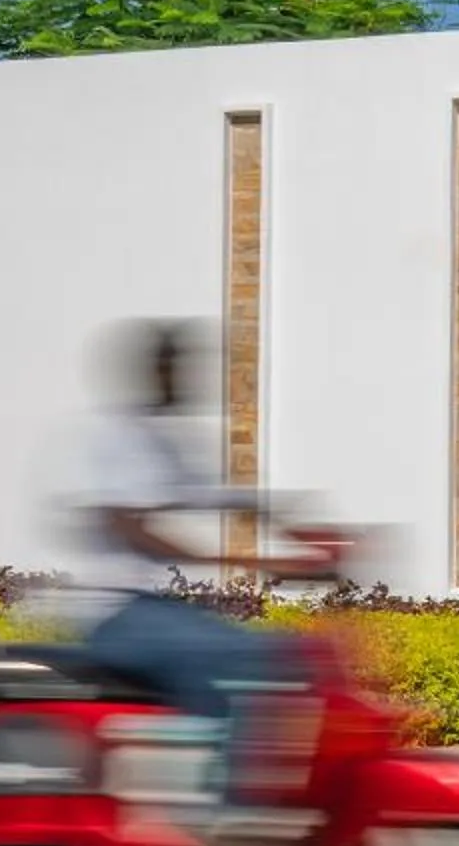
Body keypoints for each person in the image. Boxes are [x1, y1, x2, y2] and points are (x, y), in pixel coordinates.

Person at [44, 319, 321, 810]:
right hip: (116, 612)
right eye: (177, 368)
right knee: (244, 660)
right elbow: (137, 529)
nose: (188, 380)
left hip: (152, 608)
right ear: (154, 372)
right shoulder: (118, 438)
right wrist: (251, 558)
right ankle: (224, 810)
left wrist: (288, 521)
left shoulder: (159, 437)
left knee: (279, 654)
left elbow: (209, 492)